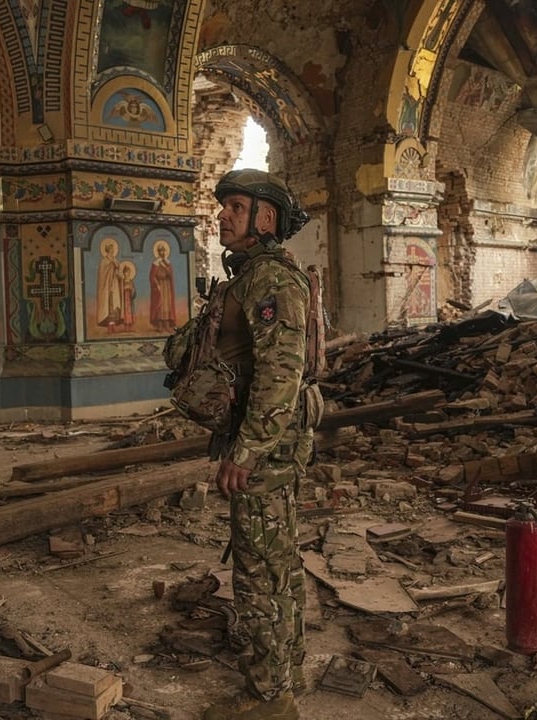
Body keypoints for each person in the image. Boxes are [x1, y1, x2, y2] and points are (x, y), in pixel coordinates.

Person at [202, 169, 313, 720]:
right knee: (276, 566)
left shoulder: (270, 280)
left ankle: (270, 698)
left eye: (235, 206)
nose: (222, 214)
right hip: (268, 442)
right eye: (222, 205)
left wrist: (246, 451)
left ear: (265, 218)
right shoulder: (254, 277)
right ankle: (285, 675)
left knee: (257, 573)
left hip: (264, 449)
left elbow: (281, 373)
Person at [149, 240, 176, 332]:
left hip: (167, 286)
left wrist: (166, 267)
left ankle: (167, 325)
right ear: (158, 252)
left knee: (167, 305)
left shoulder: (167, 262)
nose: (162, 253)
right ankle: (160, 325)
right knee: (160, 305)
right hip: (159, 285)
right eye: (160, 251)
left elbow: (170, 275)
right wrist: (157, 284)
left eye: (163, 251)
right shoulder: (156, 263)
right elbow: (152, 276)